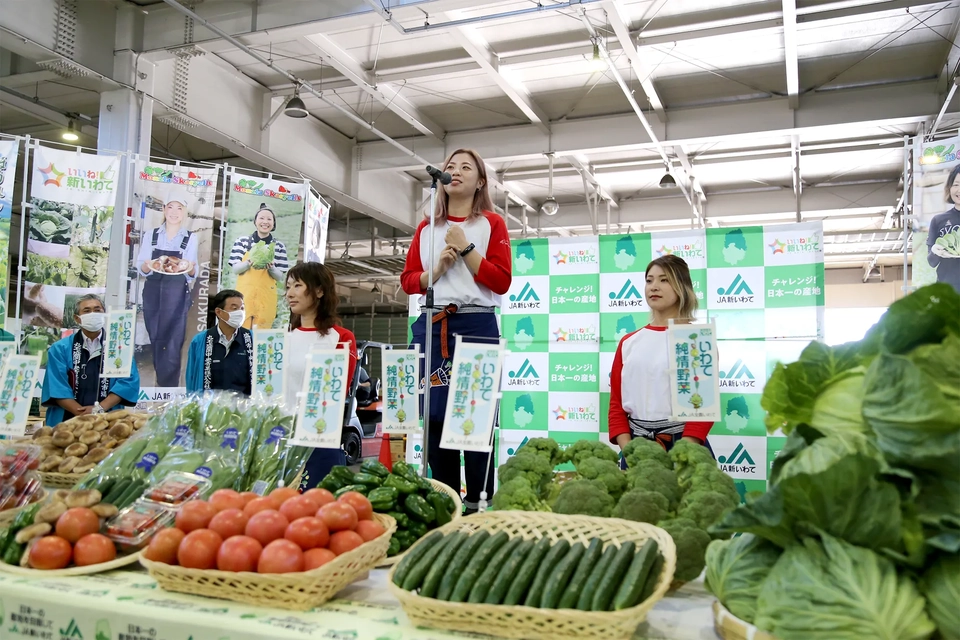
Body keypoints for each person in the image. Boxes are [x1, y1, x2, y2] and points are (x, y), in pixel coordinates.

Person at [400, 148, 512, 513]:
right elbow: (408, 281)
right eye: (451, 166)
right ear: (442, 179)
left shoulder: (492, 223)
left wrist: (465, 249)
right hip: (433, 325)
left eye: (467, 167)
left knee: (475, 419)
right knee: (433, 416)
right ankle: (447, 500)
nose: (456, 171)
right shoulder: (426, 229)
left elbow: (501, 280)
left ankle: (479, 501)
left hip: (477, 324)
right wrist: (436, 270)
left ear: (480, 181)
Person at [608, 255, 713, 455]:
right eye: (649, 280)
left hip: (685, 449)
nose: (654, 287)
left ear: (681, 287)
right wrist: (629, 451)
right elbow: (616, 405)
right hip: (635, 448)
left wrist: (682, 454)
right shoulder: (628, 342)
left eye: (664, 280)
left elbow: (702, 409)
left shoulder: (696, 339)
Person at [282, 262, 357, 489]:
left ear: (320, 291)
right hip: (280, 437)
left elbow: (337, 391)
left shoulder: (342, 338)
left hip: (319, 438)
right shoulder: (280, 338)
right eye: (287, 287)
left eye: (297, 285)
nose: (290, 293)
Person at [41, 294, 140, 426]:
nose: (93, 314)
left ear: (104, 313)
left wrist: (99, 409)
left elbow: (127, 382)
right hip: (67, 419)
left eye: (97, 310)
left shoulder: (119, 347)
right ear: (77, 318)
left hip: (108, 419)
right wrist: (83, 414)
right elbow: (56, 386)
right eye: (87, 311)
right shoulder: (59, 349)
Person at [136, 194, 198, 387]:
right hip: (153, 290)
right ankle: (160, 384)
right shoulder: (151, 235)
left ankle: (167, 389)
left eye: (179, 208)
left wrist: (191, 267)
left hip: (177, 292)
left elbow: (191, 274)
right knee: (155, 335)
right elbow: (142, 267)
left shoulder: (190, 238)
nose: (174, 212)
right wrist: (148, 265)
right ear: (164, 209)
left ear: (184, 213)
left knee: (173, 339)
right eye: (170, 207)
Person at [228, 203, 290, 330]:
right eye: (261, 218)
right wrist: (248, 263)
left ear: (273, 224)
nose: (265, 222)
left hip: (266, 297)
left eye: (269, 219)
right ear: (255, 221)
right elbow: (235, 269)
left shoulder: (278, 247)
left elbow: (280, 277)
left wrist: (271, 268)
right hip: (244, 295)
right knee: (241, 332)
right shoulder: (242, 242)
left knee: (261, 336)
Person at [185, 289, 252, 395]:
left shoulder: (252, 339)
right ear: (219, 312)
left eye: (242, 308)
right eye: (234, 308)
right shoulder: (199, 341)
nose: (240, 313)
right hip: (211, 408)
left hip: (244, 408)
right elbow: (191, 378)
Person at [927, 164, 960, 293]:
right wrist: (935, 251)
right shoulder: (938, 220)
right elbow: (932, 262)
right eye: (956, 184)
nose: (959, 190)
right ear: (949, 188)